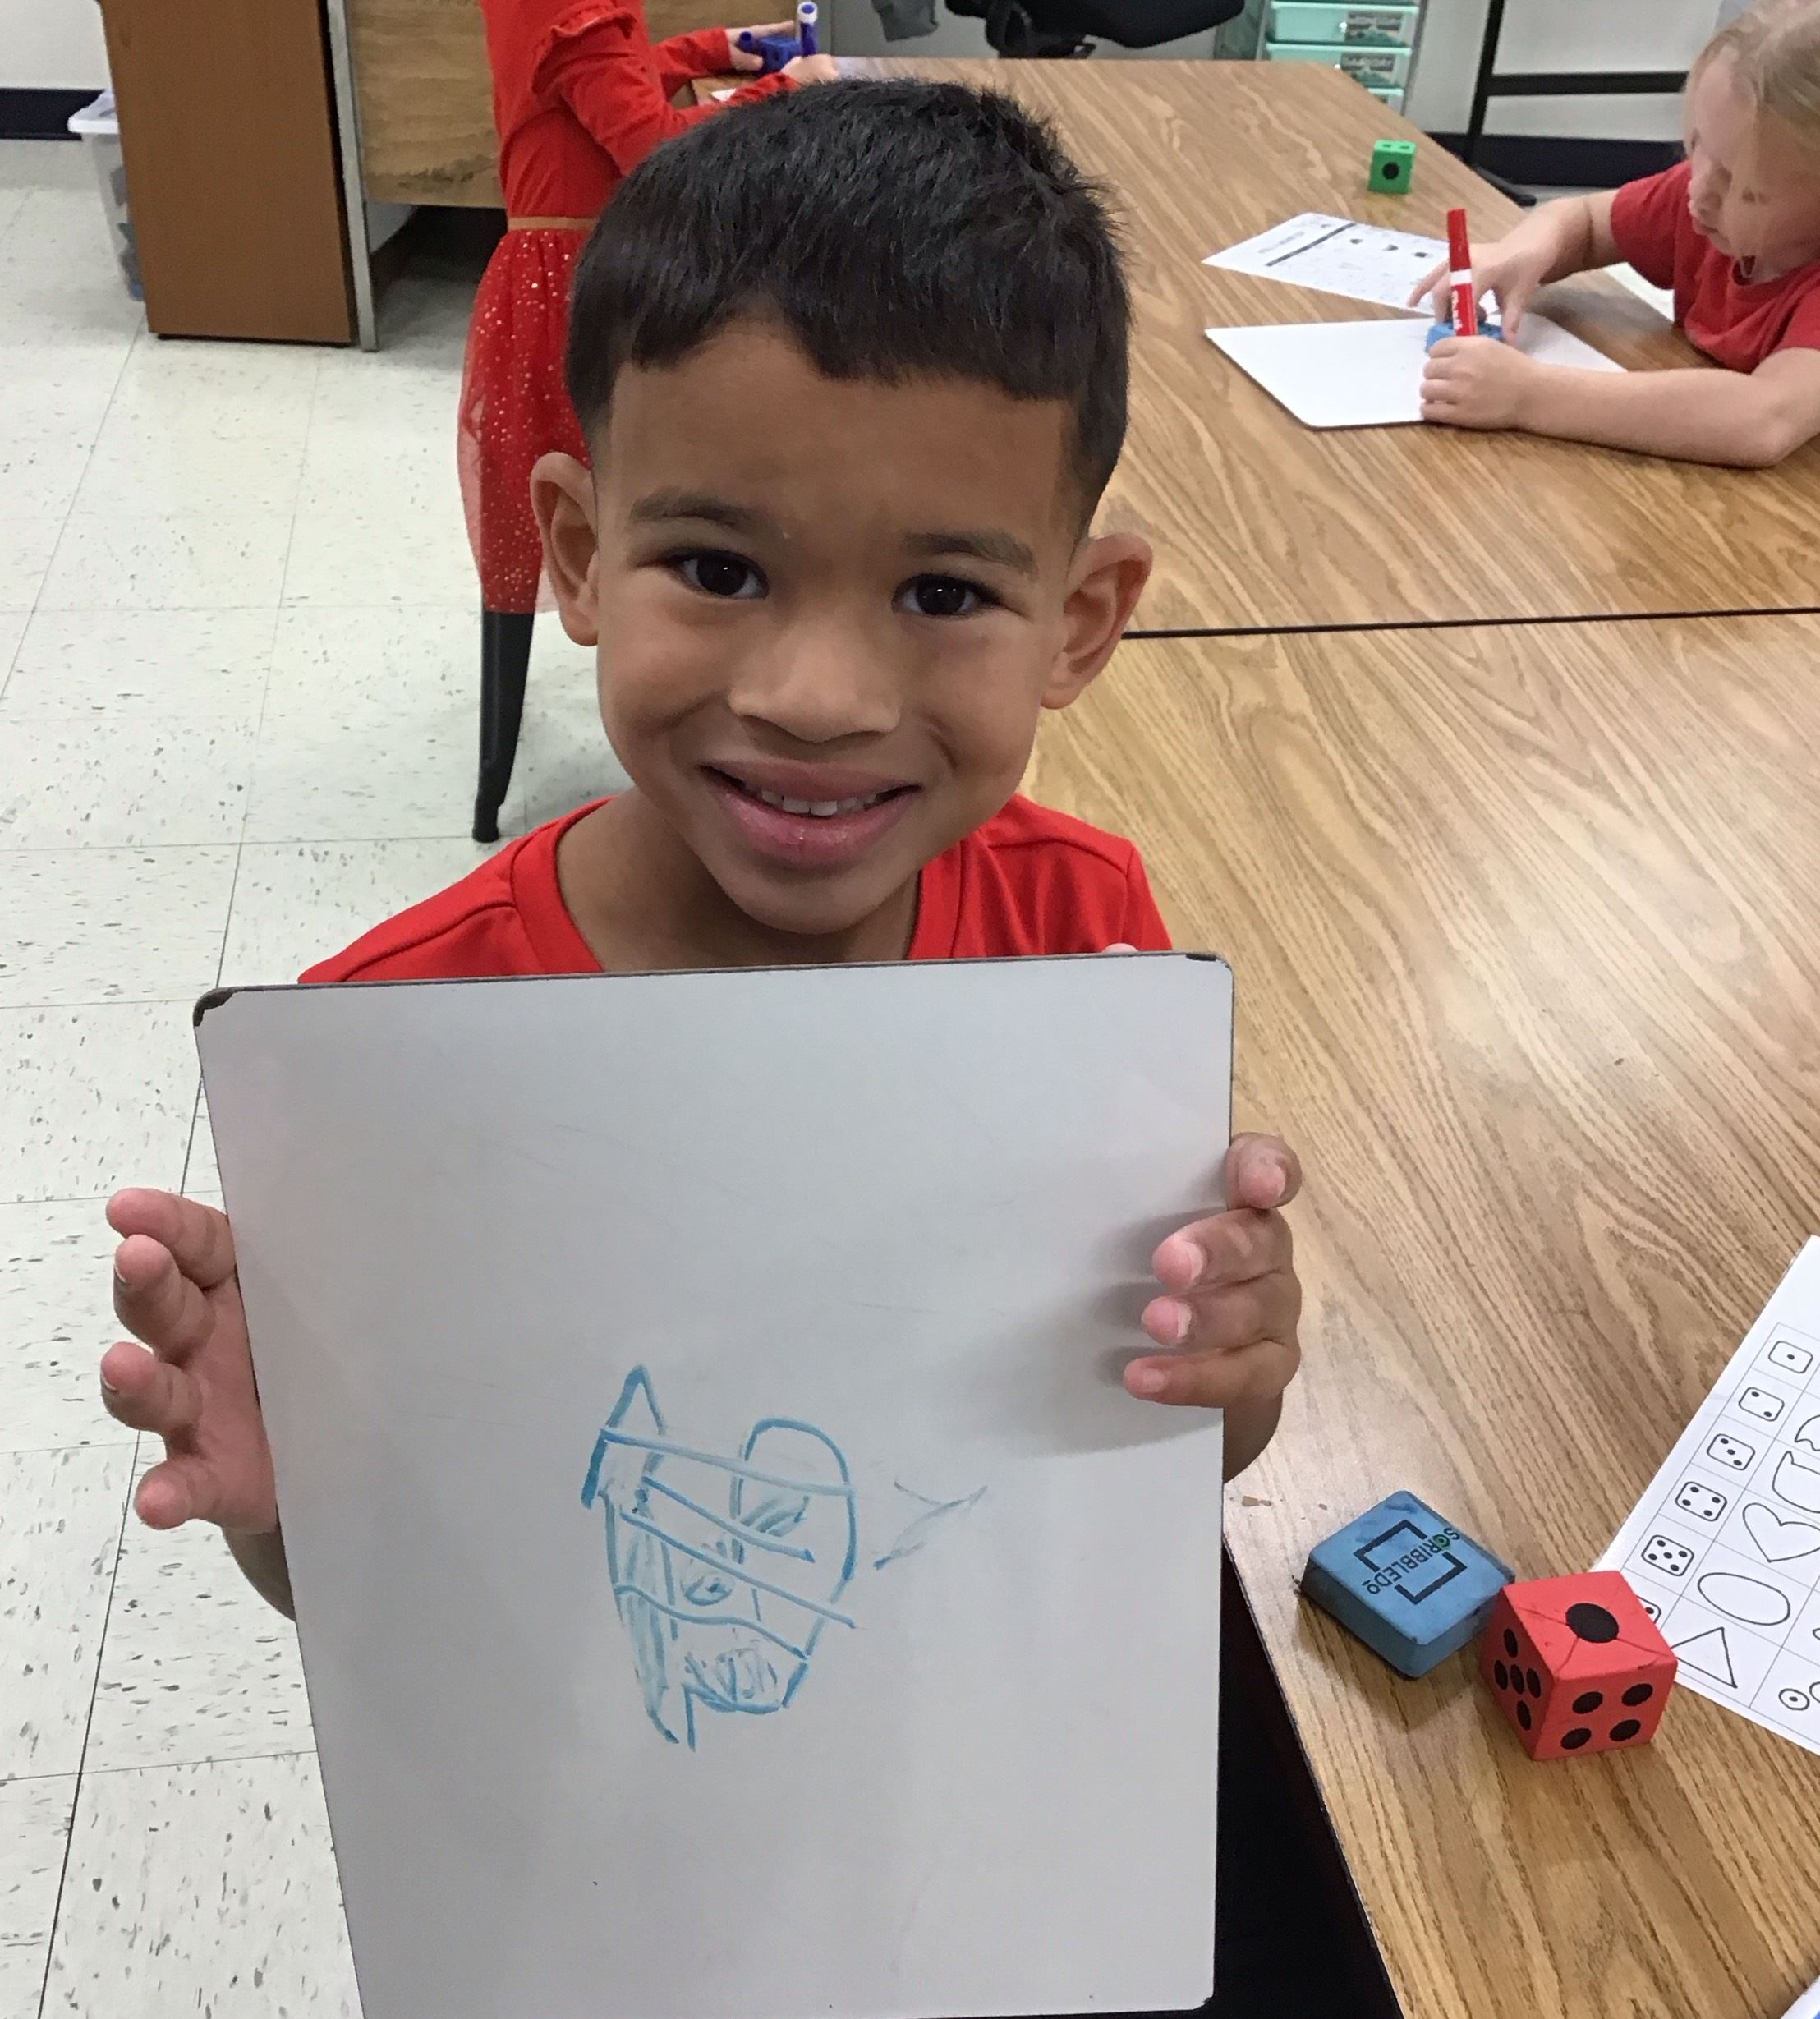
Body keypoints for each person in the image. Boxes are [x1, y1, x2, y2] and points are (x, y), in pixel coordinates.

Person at [99, 82, 1307, 1625]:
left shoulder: (1090, 941)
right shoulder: (391, 1048)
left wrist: (1236, 1366)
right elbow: (386, 1614)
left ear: (1078, 623)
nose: (817, 698)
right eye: (719, 569)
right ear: (580, 557)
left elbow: (1152, 1455)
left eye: (941, 594)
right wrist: (289, 1501)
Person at [462, 0, 837, 840]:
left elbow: (606, 79)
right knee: (659, 508)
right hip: (580, 287)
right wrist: (783, 90)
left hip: (552, 278)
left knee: (628, 508)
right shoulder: (573, 7)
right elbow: (656, 151)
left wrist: (711, 50)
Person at [1413, 0, 1820, 467]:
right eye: (1697, 146)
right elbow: (1586, 222)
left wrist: (1528, 394)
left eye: (1745, 189)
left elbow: (1762, 419)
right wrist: (1520, 251)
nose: (1699, 191)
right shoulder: (1702, 197)